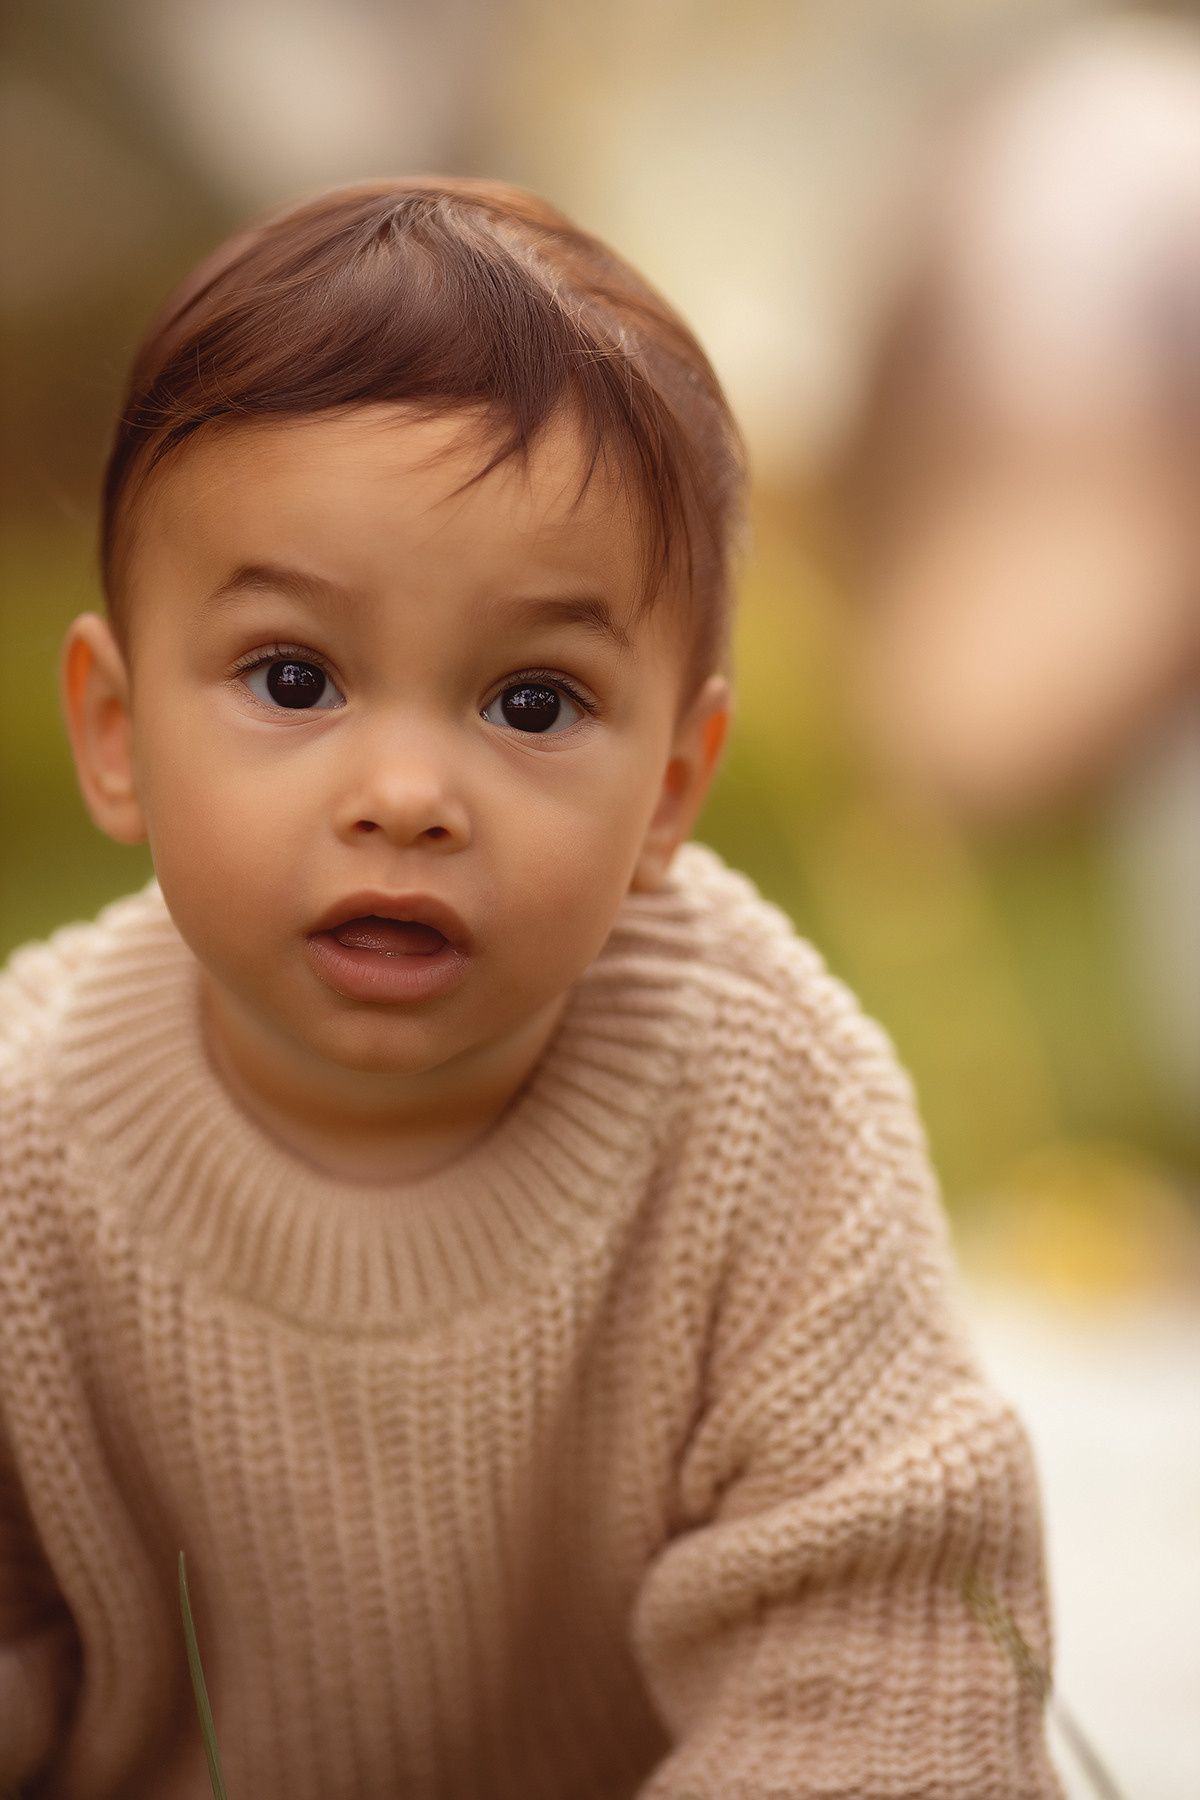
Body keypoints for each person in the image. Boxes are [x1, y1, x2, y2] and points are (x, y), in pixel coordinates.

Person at [0, 179, 1059, 1798]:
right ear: (118, 731)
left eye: (535, 701)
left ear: (676, 788)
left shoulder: (762, 1098)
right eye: (296, 678)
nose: (410, 791)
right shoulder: (26, 1138)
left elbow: (885, 1646)